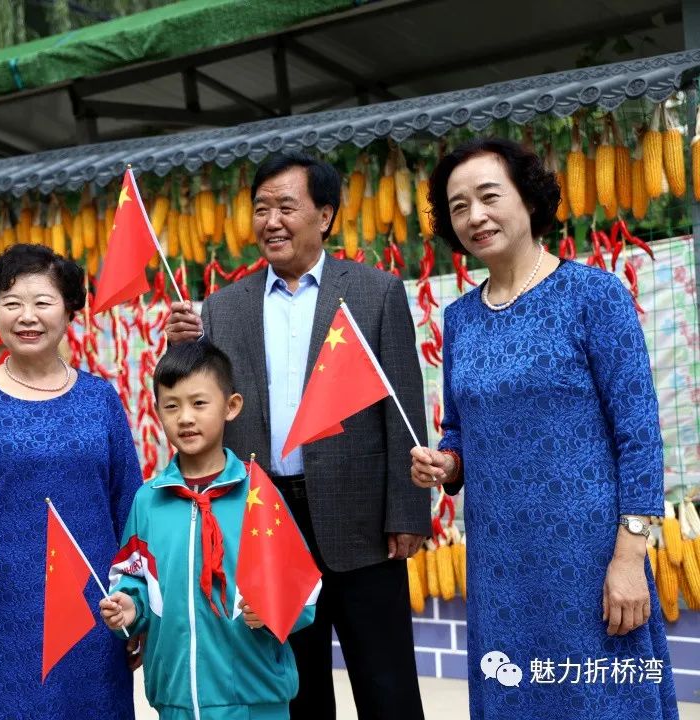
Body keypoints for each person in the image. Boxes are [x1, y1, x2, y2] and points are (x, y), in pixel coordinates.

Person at [410, 137, 678, 718]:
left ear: (528, 200)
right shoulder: (459, 320)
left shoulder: (595, 295)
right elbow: (458, 429)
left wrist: (629, 559)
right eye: (458, 207)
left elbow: (638, 435)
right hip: (501, 570)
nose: (474, 216)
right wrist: (448, 463)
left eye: (488, 196)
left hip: (591, 562)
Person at [166, 152, 429, 719]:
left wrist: (408, 511)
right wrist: (180, 349)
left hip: (362, 521)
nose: (271, 221)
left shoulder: (373, 293)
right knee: (296, 688)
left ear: (325, 215)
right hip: (263, 519)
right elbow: (198, 408)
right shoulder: (222, 306)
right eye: (261, 209)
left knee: (387, 687)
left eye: (287, 206)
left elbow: (403, 407)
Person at [0, 243, 141, 720]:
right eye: (12, 303)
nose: (27, 316)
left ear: (69, 311)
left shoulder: (100, 400)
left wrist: (139, 603)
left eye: (42, 302)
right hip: (0, 609)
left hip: (91, 610)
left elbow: (130, 506)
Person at [100, 340, 318, 720]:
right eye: (172, 406)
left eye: (199, 403)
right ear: (158, 413)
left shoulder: (259, 494)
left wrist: (274, 610)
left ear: (230, 406)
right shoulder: (147, 502)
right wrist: (127, 608)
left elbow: (303, 586)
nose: (185, 417)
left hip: (256, 701)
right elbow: (134, 582)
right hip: (175, 701)